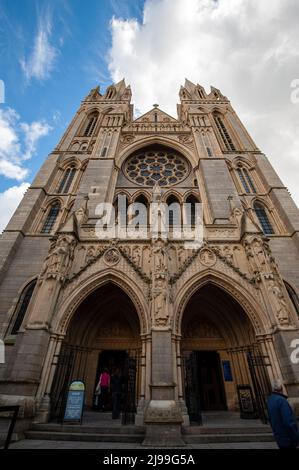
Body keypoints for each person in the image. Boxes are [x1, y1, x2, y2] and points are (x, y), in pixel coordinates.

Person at [267, 379, 299, 449]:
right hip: (288, 439)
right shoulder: (281, 401)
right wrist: (296, 437)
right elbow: (288, 422)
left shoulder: (270, 400)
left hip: (279, 438)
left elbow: (270, 419)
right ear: (281, 388)